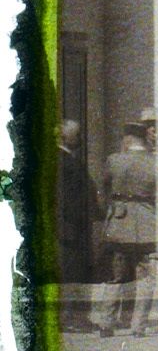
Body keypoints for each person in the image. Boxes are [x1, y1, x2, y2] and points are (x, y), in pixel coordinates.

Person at [93, 117, 157, 337]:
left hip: (119, 222)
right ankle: (138, 327)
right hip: (147, 222)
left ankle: (106, 324)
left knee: (115, 275)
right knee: (146, 277)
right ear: (144, 138)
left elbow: (103, 191)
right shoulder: (155, 162)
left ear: (128, 139)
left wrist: (108, 213)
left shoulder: (114, 160)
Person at [56, 119, 99, 328]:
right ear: (64, 137)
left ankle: (68, 317)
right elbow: (65, 199)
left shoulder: (61, 159)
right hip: (71, 228)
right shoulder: (65, 162)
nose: (81, 139)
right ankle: (70, 318)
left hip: (67, 227)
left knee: (70, 271)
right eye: (77, 135)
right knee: (72, 272)